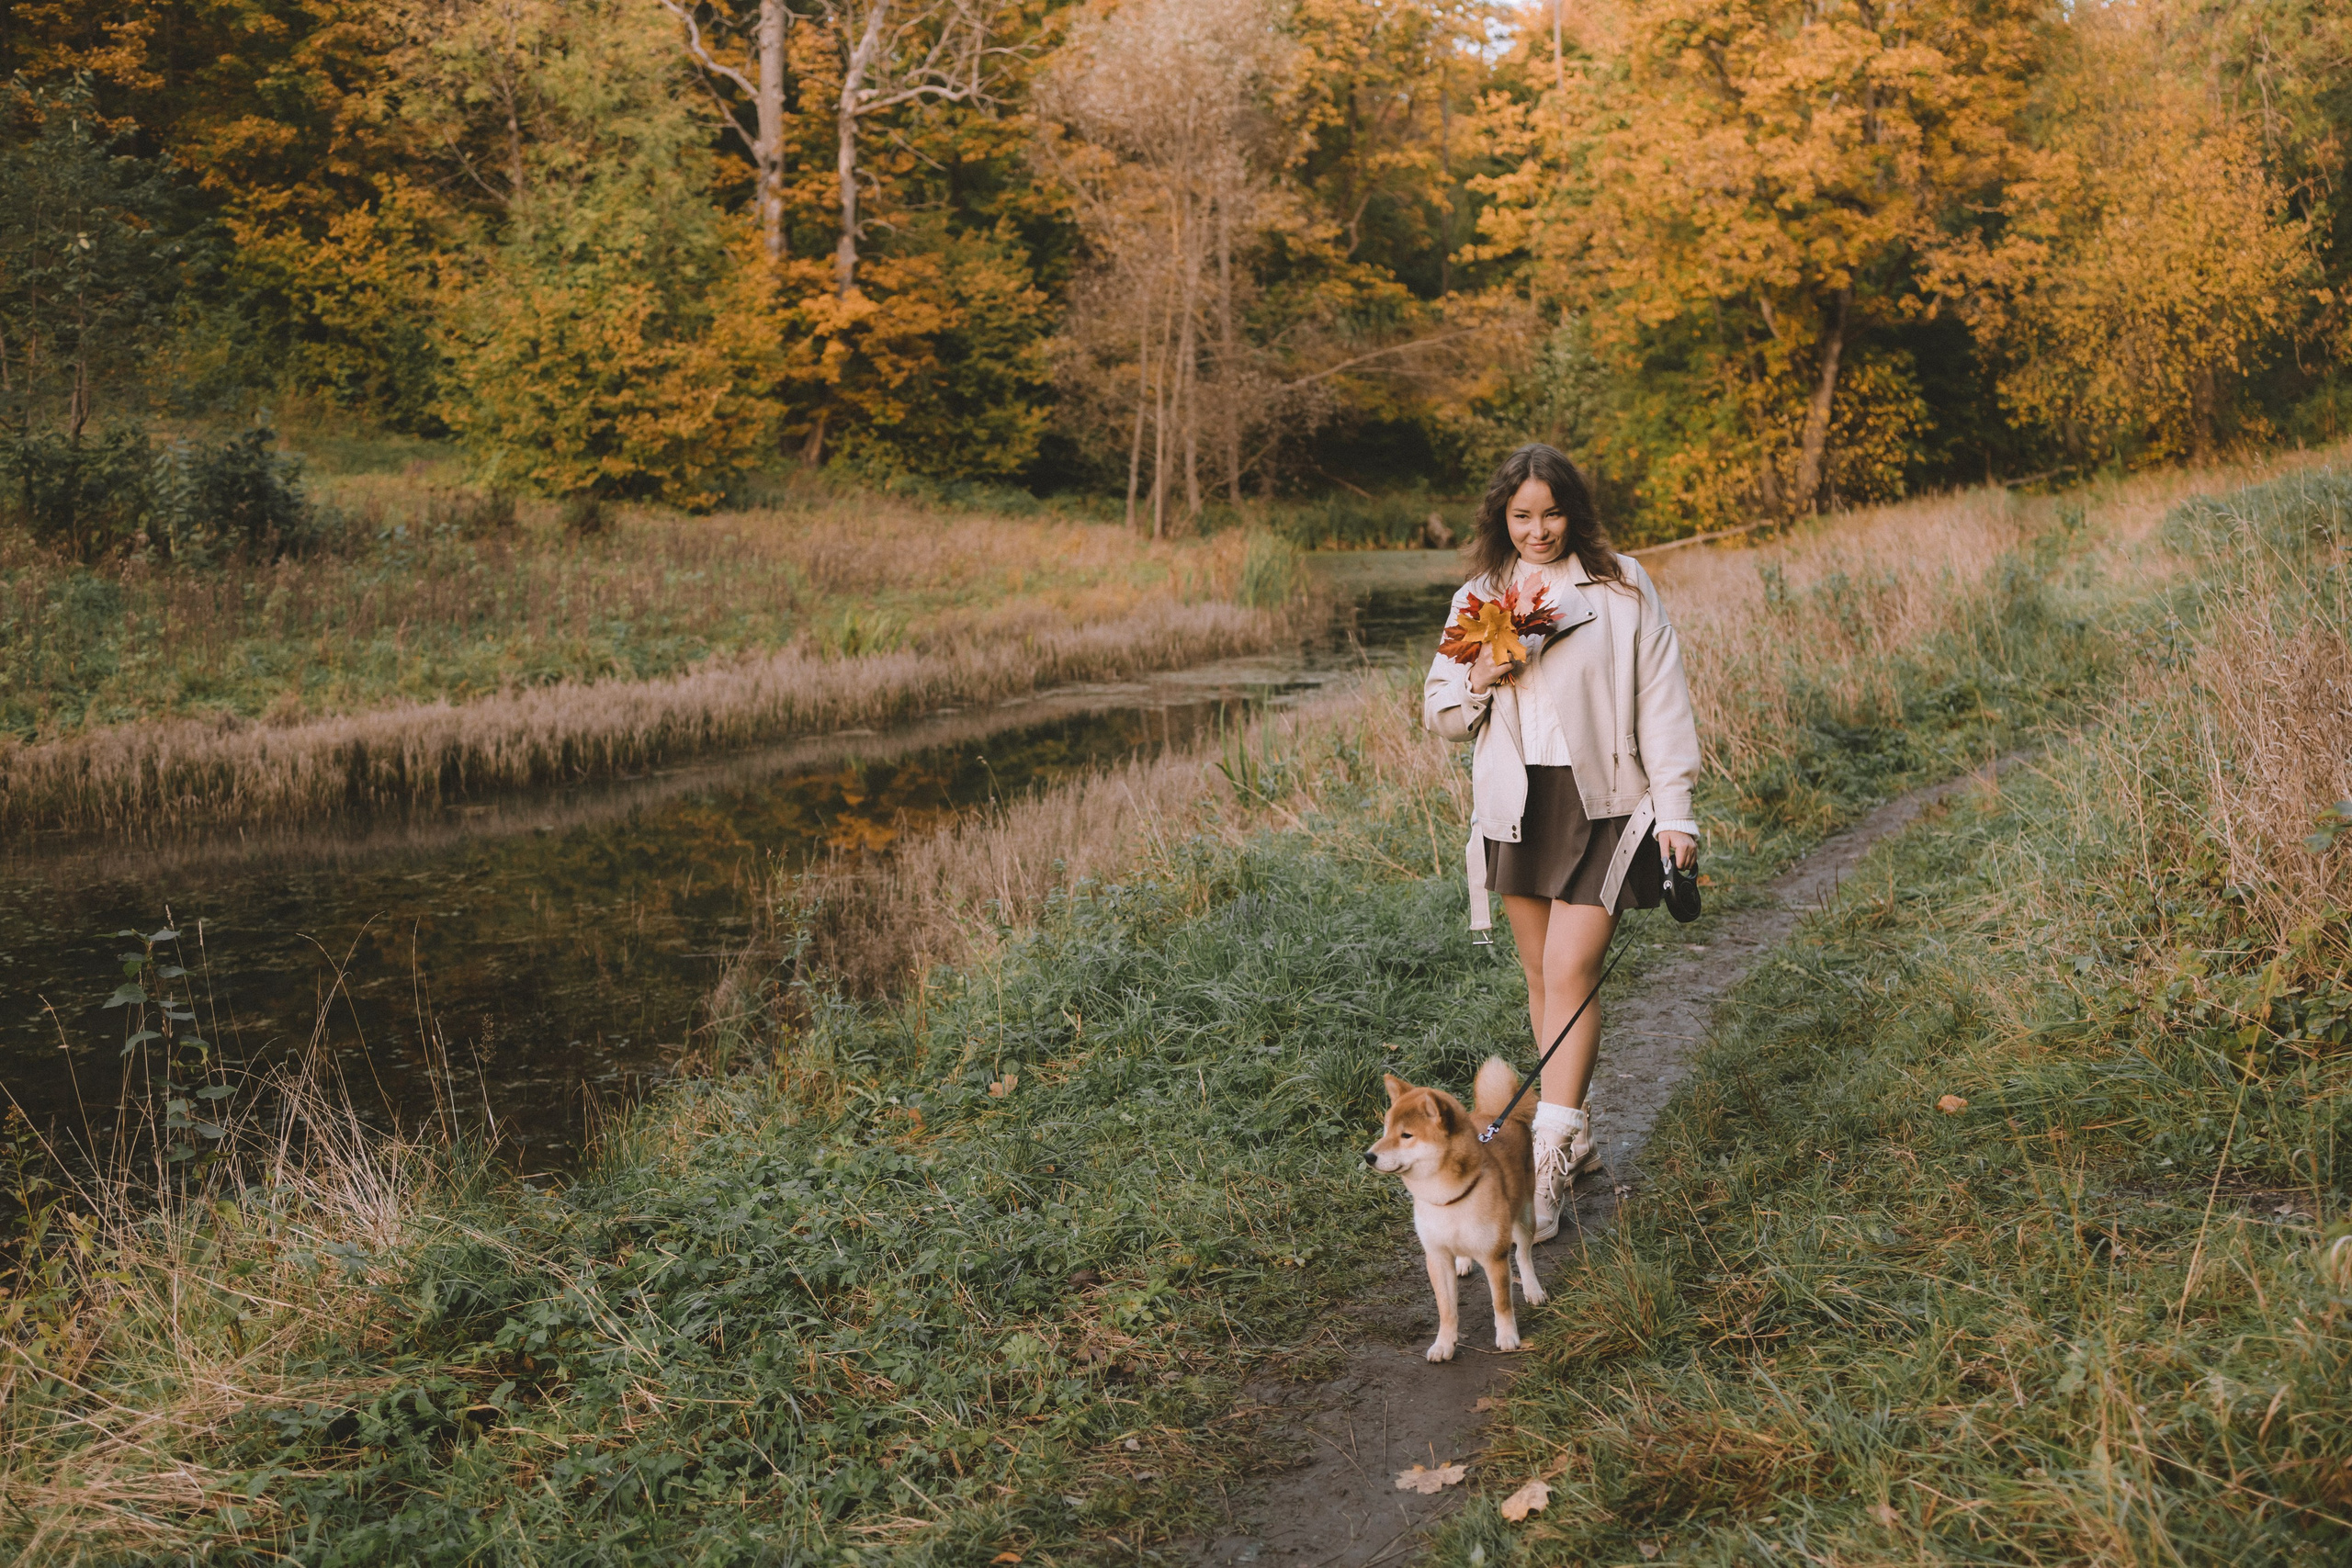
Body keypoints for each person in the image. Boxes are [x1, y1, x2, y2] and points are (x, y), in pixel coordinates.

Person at [1422, 443, 1702, 1241]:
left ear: (1572, 512)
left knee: (1573, 970)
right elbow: (1439, 710)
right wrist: (1481, 677)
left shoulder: (1620, 587)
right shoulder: (1481, 596)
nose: (1538, 529)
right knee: (1542, 978)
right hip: (1516, 805)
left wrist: (1676, 812)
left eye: (1551, 513)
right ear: (1500, 519)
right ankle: (1574, 1136)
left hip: (1607, 800)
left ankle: (1543, 1171)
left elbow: (1662, 697)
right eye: (1521, 516)